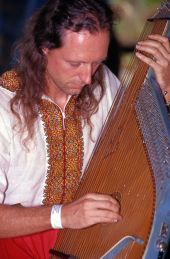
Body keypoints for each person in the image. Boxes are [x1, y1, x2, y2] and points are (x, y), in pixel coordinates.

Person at [0, 0, 169, 258]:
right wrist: (63, 215)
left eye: (96, 62)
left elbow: (144, 146)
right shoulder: (4, 108)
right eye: (75, 63)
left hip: (89, 242)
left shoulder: (102, 84)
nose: (88, 77)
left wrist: (165, 89)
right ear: (44, 48)